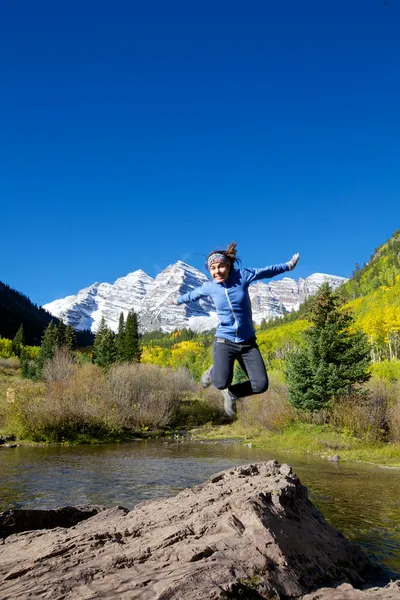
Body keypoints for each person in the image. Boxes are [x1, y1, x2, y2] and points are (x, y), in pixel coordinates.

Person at [172, 243, 300, 418]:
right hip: (224, 341)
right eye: (213, 268)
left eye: (221, 266)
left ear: (229, 266)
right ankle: (213, 372)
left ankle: (232, 394)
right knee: (220, 382)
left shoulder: (243, 276)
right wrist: (177, 301)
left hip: (248, 344)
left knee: (260, 385)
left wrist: (288, 266)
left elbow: (266, 271)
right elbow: (192, 295)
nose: (217, 271)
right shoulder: (210, 287)